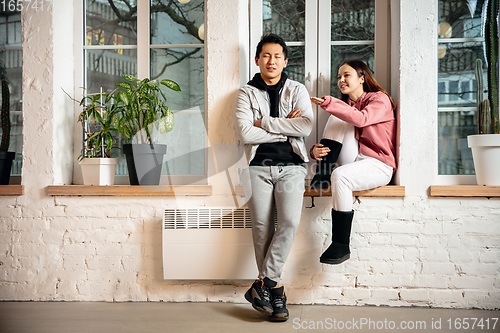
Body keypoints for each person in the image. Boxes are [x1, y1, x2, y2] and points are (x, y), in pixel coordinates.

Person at [234, 34, 313, 321]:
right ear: (257, 60)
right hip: (256, 167)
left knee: (289, 222)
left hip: (292, 166)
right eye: (266, 55)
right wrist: (284, 127)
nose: (272, 61)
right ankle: (276, 292)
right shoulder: (245, 93)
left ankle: (262, 284)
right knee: (261, 230)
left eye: (277, 56)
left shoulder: (297, 89)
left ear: (285, 61)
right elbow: (245, 132)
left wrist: (264, 123)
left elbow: (304, 126)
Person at [310, 59, 396, 265]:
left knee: (340, 175)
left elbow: (362, 119)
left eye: (346, 75)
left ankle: (341, 244)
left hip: (379, 165)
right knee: (338, 115)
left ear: (362, 78)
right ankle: (323, 169)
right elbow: (346, 123)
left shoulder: (379, 99)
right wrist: (315, 151)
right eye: (338, 77)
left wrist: (331, 104)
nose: (341, 80)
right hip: (357, 159)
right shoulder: (349, 105)